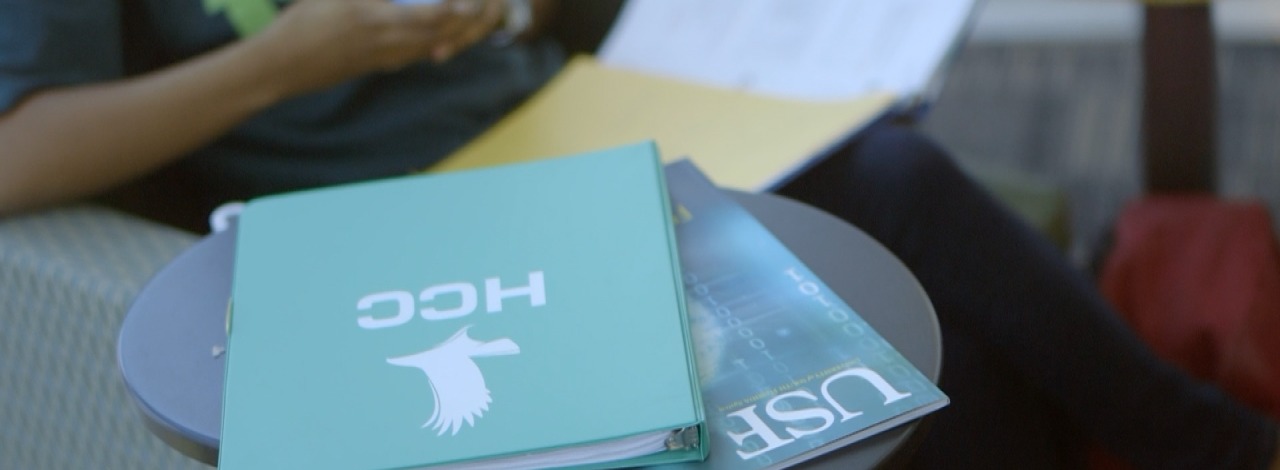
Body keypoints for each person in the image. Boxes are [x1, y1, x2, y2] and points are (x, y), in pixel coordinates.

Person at [0, 1, 1276, 468]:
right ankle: (1209, 442)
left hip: (568, 125)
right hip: (429, 225)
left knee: (903, 202)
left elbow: (548, 20)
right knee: (895, 213)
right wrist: (287, 62)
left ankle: (1186, 438)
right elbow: (20, 152)